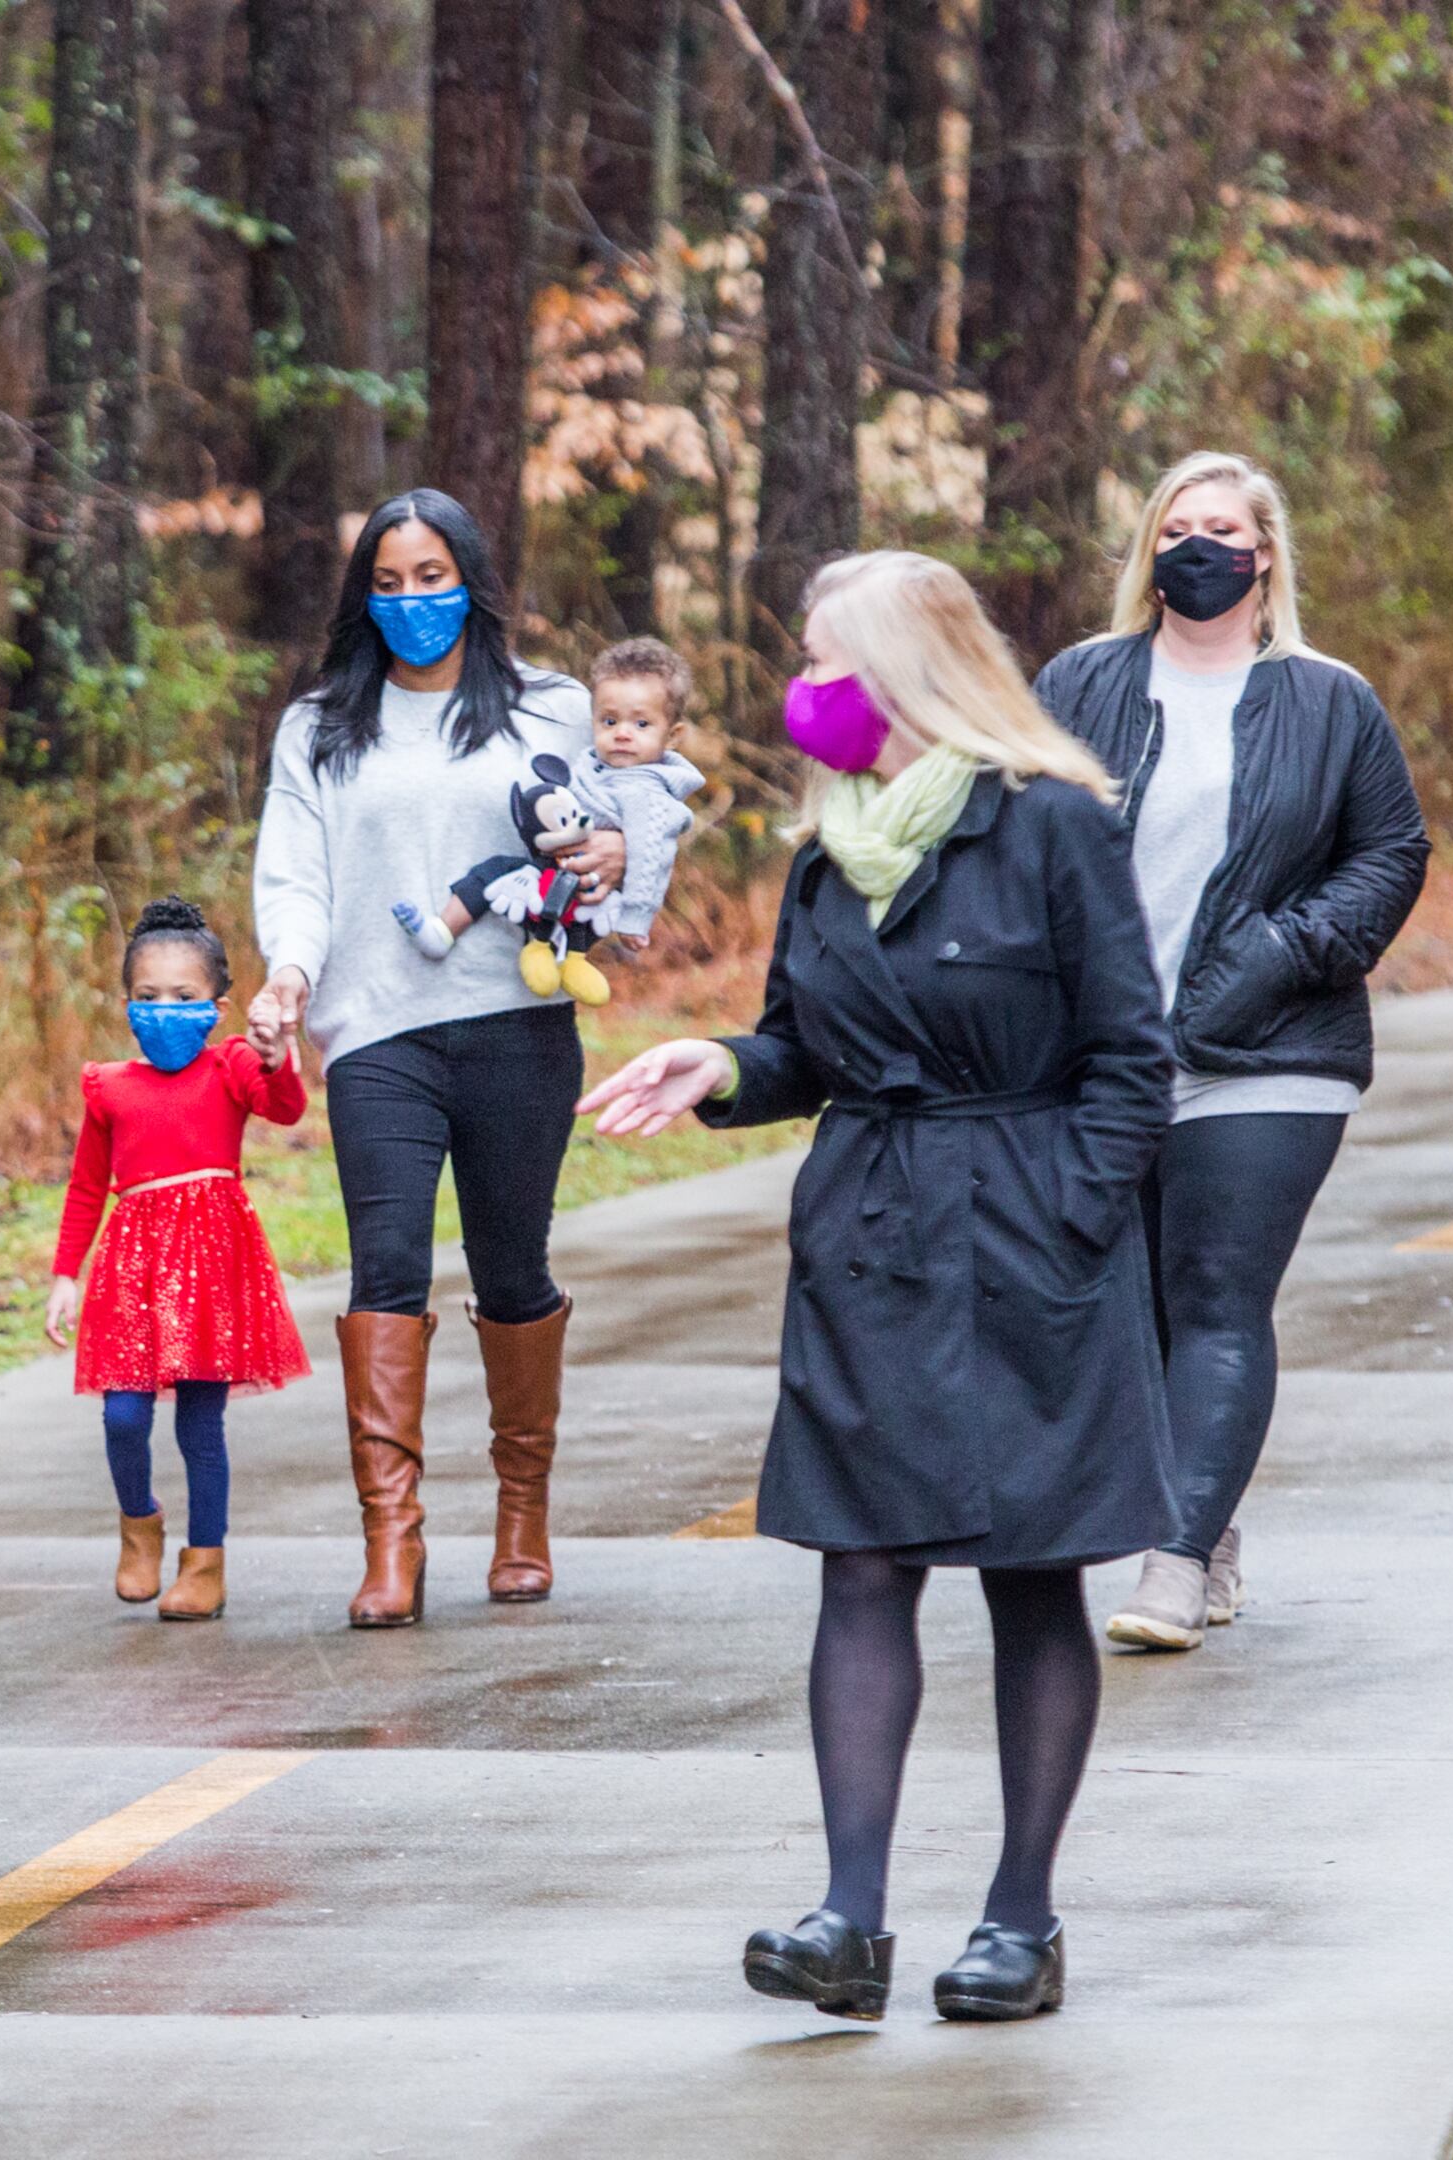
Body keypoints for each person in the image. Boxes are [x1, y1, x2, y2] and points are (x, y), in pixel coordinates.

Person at [582, 550, 1176, 2025]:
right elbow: (805, 1046)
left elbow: (1132, 1061)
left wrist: (1072, 1218)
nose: (805, 691)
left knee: (1035, 1575)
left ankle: (1019, 1924)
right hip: (872, 1237)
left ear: (911, 669)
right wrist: (719, 1064)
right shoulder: (825, 851)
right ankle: (848, 1921)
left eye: (825, 659)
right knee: (864, 1564)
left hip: (1030, 1229)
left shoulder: (1051, 827)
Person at [1032, 452, 1430, 1652]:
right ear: (1150, 550)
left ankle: (1174, 1557)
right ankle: (1208, 1509)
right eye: (1176, 528)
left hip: (1269, 1047)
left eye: (1223, 530)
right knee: (1132, 1312)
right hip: (1102, 1049)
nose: (1196, 548)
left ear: (1264, 557)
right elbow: (1013, 829)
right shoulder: (1080, 683)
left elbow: (1390, 855)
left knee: (1216, 1299)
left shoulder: (1329, 698)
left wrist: (1285, 952)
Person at [246, 487, 627, 1627]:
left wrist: (614, 851)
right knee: (387, 1271)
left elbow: (622, 823)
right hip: (375, 1032)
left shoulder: (551, 709)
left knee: (512, 1273)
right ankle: (392, 1546)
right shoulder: (319, 727)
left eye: (433, 577)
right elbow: (296, 875)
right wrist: (287, 973)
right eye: (391, 581)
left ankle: (521, 1518)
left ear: (473, 580)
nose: (415, 601)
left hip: (516, 1023)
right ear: (364, 596)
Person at [43, 897, 314, 1622]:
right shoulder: (110, 1085)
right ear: (127, 1004)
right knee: (123, 1418)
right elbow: (86, 1185)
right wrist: (65, 1276)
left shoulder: (231, 1067)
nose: (166, 1010)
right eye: (148, 998)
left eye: (185, 998)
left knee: (201, 1423)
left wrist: (277, 1054)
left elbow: (285, 1109)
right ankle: (140, 1525)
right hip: (133, 1267)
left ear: (218, 1007)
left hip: (213, 1264)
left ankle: (205, 1562)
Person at [392, 636, 706, 1005]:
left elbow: (652, 855)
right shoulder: (597, 764)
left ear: (672, 736)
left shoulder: (645, 791)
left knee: (494, 872)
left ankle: (447, 930)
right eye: (609, 720)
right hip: (558, 871)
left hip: (582, 886)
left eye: (641, 723)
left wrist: (636, 919)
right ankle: (547, 956)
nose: (622, 732)